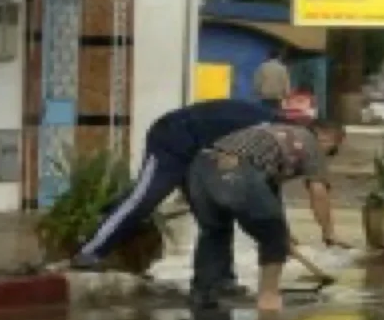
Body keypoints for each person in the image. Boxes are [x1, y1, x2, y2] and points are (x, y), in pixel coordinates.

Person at [71, 97, 314, 283]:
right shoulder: (266, 132)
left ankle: (216, 281)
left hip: (201, 153)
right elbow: (256, 189)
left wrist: (279, 231)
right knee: (144, 199)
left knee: (214, 218)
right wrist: (274, 233)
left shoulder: (275, 138)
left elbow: (267, 186)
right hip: (172, 138)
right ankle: (90, 252)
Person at [186, 119, 347, 311]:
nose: (329, 156)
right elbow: (318, 191)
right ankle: (268, 299)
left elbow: (269, 195)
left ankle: (207, 292)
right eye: (333, 150)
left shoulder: (276, 133)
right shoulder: (310, 143)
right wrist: (328, 232)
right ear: (327, 137)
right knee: (272, 236)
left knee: (215, 231)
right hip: (238, 168)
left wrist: (283, 233)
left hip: (200, 167)